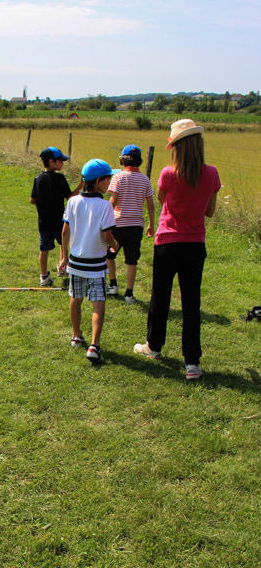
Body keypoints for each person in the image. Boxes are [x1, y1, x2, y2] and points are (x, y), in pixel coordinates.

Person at [133, 119, 221, 380]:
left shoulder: (168, 174)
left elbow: (162, 200)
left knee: (160, 297)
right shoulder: (212, 173)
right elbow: (210, 211)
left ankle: (154, 346)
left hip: (167, 243)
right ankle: (192, 363)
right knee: (191, 303)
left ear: (176, 148)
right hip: (195, 244)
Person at [60, 158, 120, 363]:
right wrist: (114, 244)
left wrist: (63, 256)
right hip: (96, 266)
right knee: (98, 303)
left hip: (76, 263)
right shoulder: (105, 206)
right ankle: (94, 345)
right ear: (98, 181)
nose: (110, 183)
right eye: (108, 179)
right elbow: (106, 236)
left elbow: (65, 231)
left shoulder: (73, 201)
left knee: (75, 299)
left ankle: (76, 336)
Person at [106, 144, 155, 303]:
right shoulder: (145, 179)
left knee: (109, 255)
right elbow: (150, 204)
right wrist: (151, 224)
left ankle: (113, 285)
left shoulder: (118, 177)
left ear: (122, 160)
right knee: (132, 260)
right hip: (136, 226)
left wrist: (104, 218)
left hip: (118, 224)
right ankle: (129, 293)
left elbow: (113, 200)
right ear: (139, 161)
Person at [30, 147, 83, 286]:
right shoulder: (60, 178)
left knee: (44, 249)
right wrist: (82, 184)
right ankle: (63, 268)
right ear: (52, 162)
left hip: (44, 222)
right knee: (64, 244)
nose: (63, 164)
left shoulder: (38, 178)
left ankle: (43, 277)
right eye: (61, 161)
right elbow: (70, 197)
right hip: (60, 221)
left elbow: (32, 200)